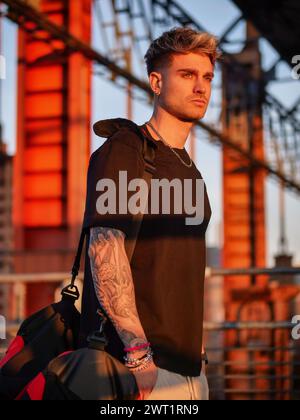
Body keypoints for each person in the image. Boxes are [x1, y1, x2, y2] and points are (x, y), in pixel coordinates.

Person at [80, 27, 221, 400]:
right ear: (156, 82)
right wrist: (139, 357)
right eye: (187, 75)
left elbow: (186, 269)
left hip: (190, 369)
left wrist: (200, 353)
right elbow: (104, 249)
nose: (201, 87)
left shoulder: (189, 168)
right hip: (142, 370)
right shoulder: (126, 150)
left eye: (207, 77)